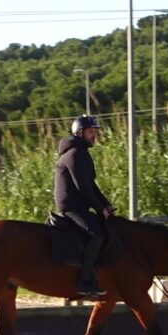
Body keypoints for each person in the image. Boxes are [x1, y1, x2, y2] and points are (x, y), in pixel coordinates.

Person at [54, 114, 115, 297]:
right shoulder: (74, 154)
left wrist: (105, 205)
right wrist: (100, 209)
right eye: (90, 131)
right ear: (79, 133)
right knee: (96, 234)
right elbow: (83, 188)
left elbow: (91, 185)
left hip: (79, 206)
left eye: (95, 131)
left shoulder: (82, 153)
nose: (94, 135)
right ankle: (85, 281)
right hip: (71, 207)